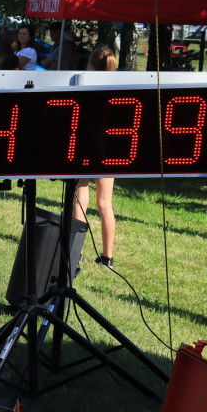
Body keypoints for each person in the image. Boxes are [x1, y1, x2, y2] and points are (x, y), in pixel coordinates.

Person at [74, 46, 119, 268]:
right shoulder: (120, 88)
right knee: (105, 203)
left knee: (80, 197)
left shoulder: (84, 86)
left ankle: (77, 252)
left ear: (91, 66)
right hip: (110, 147)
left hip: (85, 144)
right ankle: (107, 257)